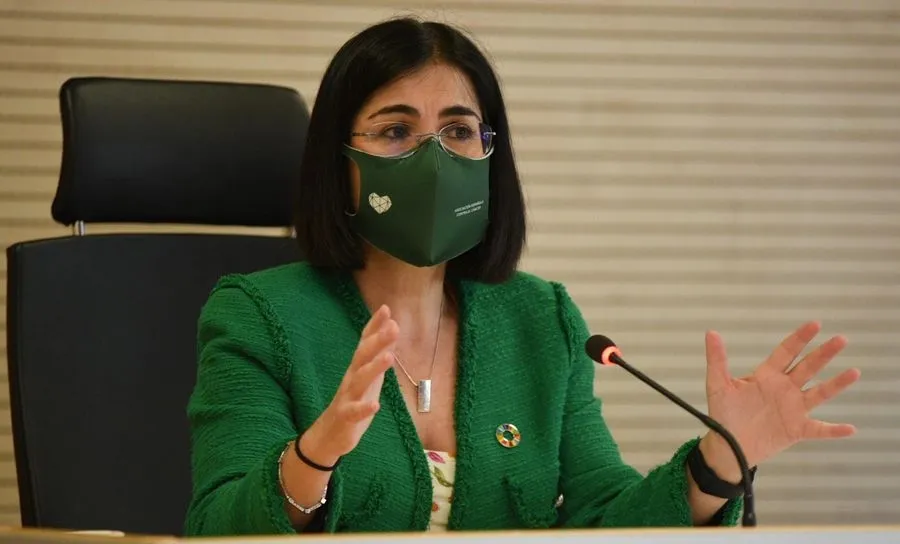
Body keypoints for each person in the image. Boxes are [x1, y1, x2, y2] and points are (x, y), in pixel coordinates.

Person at [183, 17, 860, 536]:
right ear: (340, 165)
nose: (433, 159)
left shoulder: (541, 319)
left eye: (457, 131)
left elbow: (602, 520)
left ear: (488, 154)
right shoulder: (259, 315)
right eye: (395, 131)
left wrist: (716, 461)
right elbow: (214, 531)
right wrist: (314, 457)